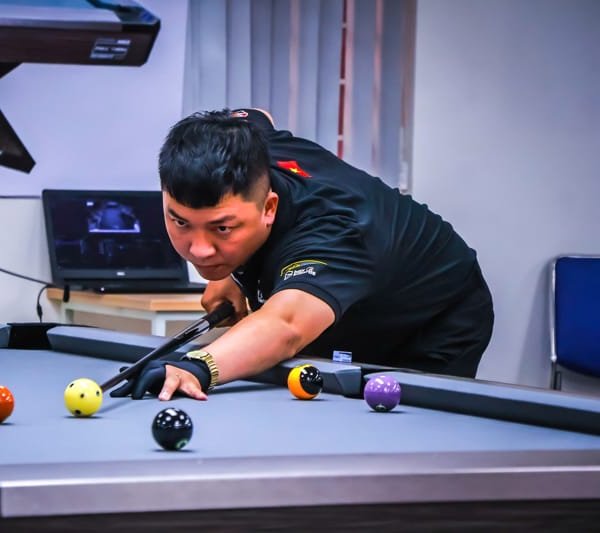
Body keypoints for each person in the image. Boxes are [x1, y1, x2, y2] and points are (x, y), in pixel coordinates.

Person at [110, 108, 494, 401]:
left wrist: (197, 366)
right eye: (180, 221)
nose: (199, 249)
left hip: (431, 321)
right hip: (340, 294)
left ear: (269, 208)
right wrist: (227, 272)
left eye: (222, 228)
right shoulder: (243, 143)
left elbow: (285, 327)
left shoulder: (336, 231)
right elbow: (257, 114)